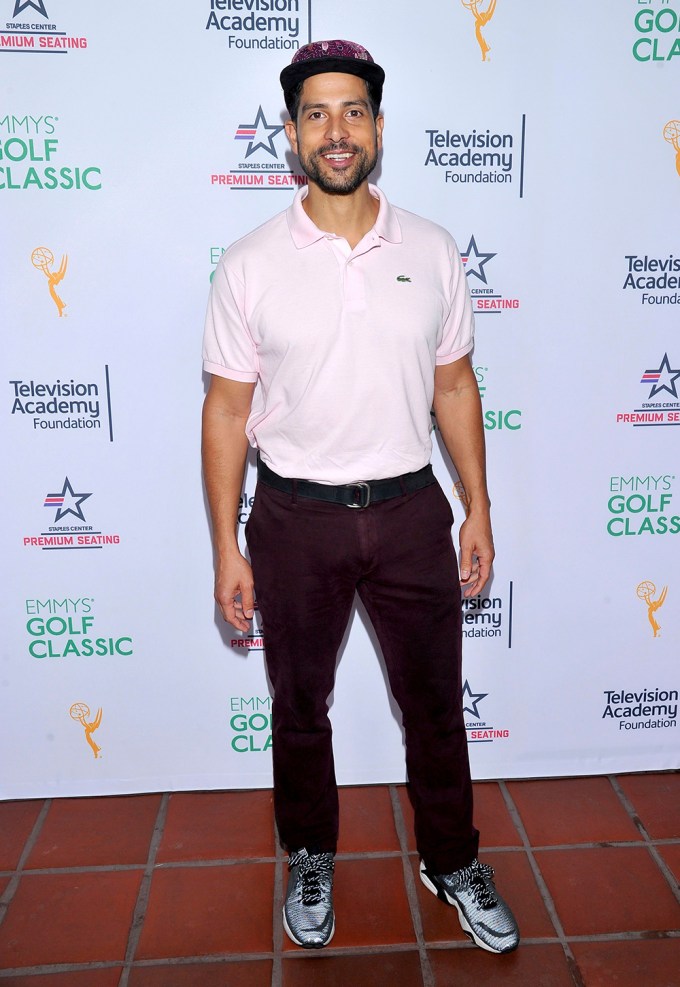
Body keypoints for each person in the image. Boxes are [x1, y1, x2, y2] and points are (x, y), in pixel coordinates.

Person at [201, 39, 519, 954]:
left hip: (413, 511)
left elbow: (454, 388)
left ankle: (451, 857)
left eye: (351, 112)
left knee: (434, 705)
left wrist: (479, 508)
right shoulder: (251, 262)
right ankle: (309, 852)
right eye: (314, 113)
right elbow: (226, 413)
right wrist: (228, 543)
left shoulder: (431, 247)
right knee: (299, 703)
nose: (334, 132)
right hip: (295, 518)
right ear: (291, 134)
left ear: (377, 125)